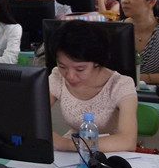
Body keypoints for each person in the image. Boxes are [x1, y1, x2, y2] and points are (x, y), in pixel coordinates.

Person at [48, 20, 137, 152]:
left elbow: (127, 141)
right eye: (62, 66)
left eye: (80, 69)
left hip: (109, 153)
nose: (70, 75)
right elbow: (34, 115)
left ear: (97, 62)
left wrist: (66, 144)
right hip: (70, 154)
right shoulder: (57, 76)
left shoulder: (121, 85)